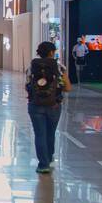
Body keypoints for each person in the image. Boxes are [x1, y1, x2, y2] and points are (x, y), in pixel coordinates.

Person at [25, 41, 69, 175]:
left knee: (40, 134)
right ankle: (49, 158)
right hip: (54, 105)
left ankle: (43, 165)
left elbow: (27, 86)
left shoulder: (31, 67)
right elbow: (67, 88)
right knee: (50, 132)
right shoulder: (60, 68)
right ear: (51, 52)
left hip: (35, 105)